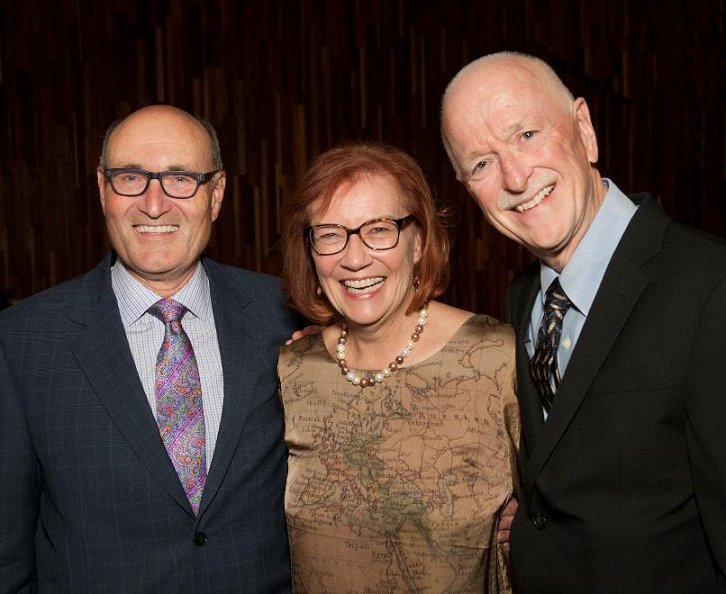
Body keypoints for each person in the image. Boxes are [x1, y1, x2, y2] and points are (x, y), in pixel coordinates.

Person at [441, 51, 726, 592]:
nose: (517, 177)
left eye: (527, 134)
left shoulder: (710, 287)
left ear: (585, 129)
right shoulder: (522, 298)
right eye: (481, 163)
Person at [0, 105, 297, 592]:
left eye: (180, 178)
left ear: (216, 194)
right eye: (130, 178)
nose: (154, 204)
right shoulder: (21, 343)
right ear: (102, 189)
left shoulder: (286, 317)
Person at [278, 142, 520, 593]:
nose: (354, 258)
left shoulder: (495, 359)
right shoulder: (295, 370)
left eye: (379, 229)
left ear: (419, 242)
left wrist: (531, 523)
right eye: (330, 234)